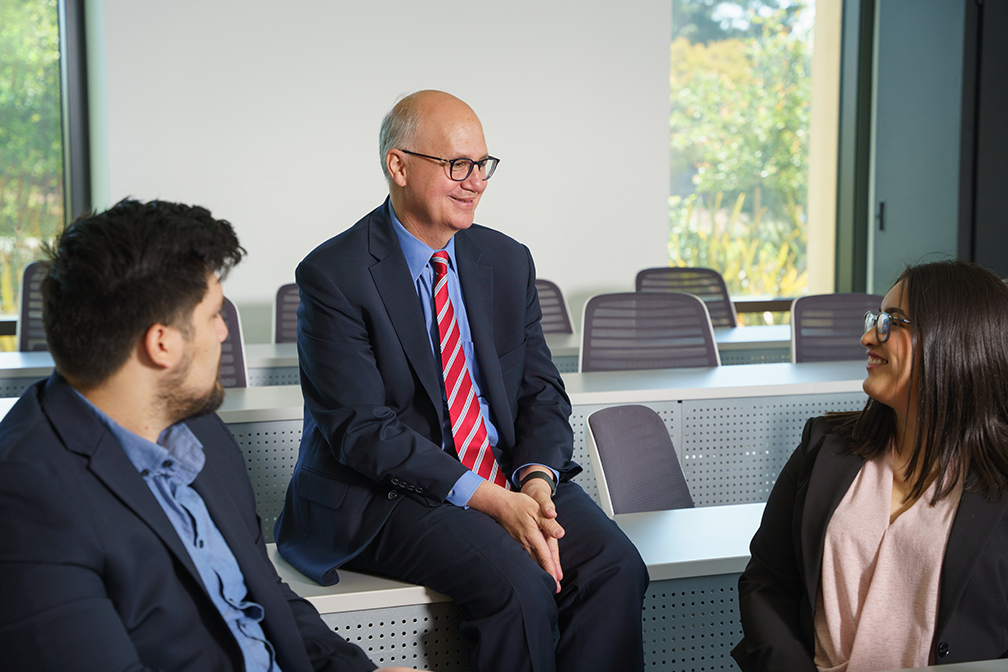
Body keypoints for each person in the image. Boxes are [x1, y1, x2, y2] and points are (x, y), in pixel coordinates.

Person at [274, 90, 649, 672]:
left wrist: (536, 483)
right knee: (518, 587)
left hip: (506, 474)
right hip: (387, 492)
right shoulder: (333, 274)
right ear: (398, 166)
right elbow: (362, 431)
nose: (475, 181)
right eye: (457, 165)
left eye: (483, 165)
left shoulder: (506, 260)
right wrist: (492, 501)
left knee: (615, 568)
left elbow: (540, 392)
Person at [0, 199, 414, 672]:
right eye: (214, 315)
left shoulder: (200, 434)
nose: (223, 333)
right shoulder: (27, 498)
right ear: (161, 344)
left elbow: (262, 596)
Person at [732, 259, 1008, 671]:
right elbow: (767, 581)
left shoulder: (999, 481)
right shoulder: (824, 446)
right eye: (876, 319)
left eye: (892, 322)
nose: (867, 336)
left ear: (954, 339)